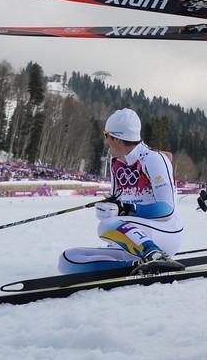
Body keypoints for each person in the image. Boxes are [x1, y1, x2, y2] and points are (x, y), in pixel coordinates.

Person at [58, 108, 185, 276]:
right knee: (68, 259)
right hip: (134, 239)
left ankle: (156, 255)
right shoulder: (116, 162)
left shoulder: (153, 159)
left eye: (106, 135)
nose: (106, 140)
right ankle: (134, 265)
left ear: (117, 138)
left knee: (106, 226)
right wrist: (108, 208)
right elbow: (116, 204)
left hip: (164, 232)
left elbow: (167, 210)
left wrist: (125, 210)